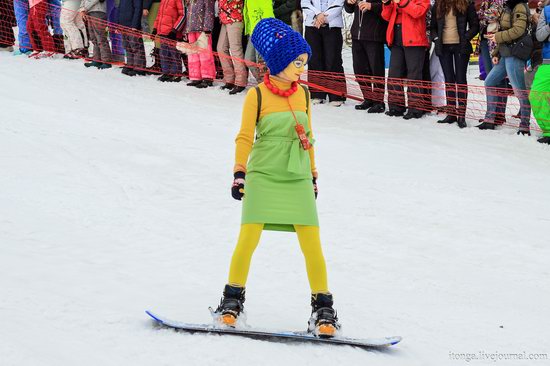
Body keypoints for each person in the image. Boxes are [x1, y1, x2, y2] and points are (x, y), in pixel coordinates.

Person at [214, 17, 340, 338]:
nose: (302, 67)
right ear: (281, 61)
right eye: (297, 62)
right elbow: (244, 137)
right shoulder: (256, 96)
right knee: (248, 239)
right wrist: (239, 174)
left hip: (296, 176)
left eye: (304, 62)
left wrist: (313, 175)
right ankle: (232, 301)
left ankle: (323, 308)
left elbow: (308, 137)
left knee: (312, 244)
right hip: (264, 174)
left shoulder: (305, 95)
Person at [478, 0, 531, 134]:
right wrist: (497, 53)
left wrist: (497, 36)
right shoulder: (508, 6)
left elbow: (518, 30)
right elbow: (504, 29)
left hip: (515, 53)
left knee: (519, 90)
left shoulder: (520, 6)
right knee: (489, 81)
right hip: (505, 52)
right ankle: (489, 120)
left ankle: (524, 125)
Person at [430, 0, 479, 128]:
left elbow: (475, 25)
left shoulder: (466, 4)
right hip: (443, 47)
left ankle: (461, 116)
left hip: (461, 47)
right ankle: (451, 114)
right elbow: (432, 27)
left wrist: (466, 37)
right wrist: (435, 38)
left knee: (460, 80)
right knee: (449, 80)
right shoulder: (438, 4)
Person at [382, 0, 430, 119]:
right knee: (394, 74)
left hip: (414, 38)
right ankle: (396, 106)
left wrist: (402, 1)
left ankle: (415, 109)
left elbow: (419, 12)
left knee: (414, 75)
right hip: (397, 36)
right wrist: (387, 3)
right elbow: (385, 16)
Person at [345, 0, 388, 113]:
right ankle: (368, 98)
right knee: (359, 70)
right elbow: (348, 10)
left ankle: (379, 102)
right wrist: (349, 2)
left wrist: (371, 6)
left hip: (374, 35)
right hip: (357, 36)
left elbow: (388, 7)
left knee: (376, 70)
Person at [302, 0, 347, 106]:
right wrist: (317, 15)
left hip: (332, 25)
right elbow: (305, 3)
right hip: (312, 24)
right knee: (314, 59)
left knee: (333, 59)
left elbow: (339, 3)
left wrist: (323, 18)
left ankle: (336, 95)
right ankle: (317, 93)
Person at [477, 0, 507, 126]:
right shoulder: (485, 2)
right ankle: (492, 114)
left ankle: (497, 115)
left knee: (497, 79)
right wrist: (485, 15)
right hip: (484, 40)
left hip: (496, 42)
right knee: (490, 78)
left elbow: (492, 15)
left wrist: (484, 15)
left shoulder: (500, 1)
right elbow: (480, 17)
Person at [530, 0, 550, 144]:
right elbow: (540, 36)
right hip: (548, 61)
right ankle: (548, 130)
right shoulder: (547, 10)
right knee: (536, 94)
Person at [218, 0, 247, 94]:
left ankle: (240, 81)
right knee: (221, 48)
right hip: (224, 19)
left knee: (235, 49)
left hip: (235, 18)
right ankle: (229, 79)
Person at [185, 0, 217, 88]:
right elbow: (188, 14)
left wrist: (207, 28)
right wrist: (186, 29)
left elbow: (209, 12)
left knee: (204, 54)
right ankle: (195, 76)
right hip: (191, 29)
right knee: (193, 54)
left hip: (202, 29)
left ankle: (207, 77)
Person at [152, 0, 186, 82]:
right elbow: (159, 15)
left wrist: (175, 30)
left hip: (172, 33)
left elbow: (183, 15)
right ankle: (166, 73)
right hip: (162, 32)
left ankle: (175, 74)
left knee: (173, 53)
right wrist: (155, 28)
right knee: (163, 53)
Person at [243, 0, 274, 82]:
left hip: (262, 32)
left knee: (261, 61)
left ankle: (265, 84)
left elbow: (268, 15)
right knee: (248, 59)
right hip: (253, 32)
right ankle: (261, 82)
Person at [81, 0, 113, 69]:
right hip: (89, 12)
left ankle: (106, 61)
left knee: (100, 37)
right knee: (94, 38)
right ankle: (97, 60)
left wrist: (84, 9)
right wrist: (82, 9)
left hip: (98, 11)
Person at [118, 0, 147, 76]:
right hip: (123, 25)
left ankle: (139, 67)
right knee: (127, 46)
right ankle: (130, 64)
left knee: (135, 46)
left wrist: (135, 25)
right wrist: (118, 24)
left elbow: (138, 8)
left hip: (132, 25)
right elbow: (119, 8)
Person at [143, 0, 161, 72]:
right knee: (155, 34)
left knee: (156, 33)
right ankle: (159, 63)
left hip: (155, 4)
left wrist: (145, 6)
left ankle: (159, 64)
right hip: (155, 4)